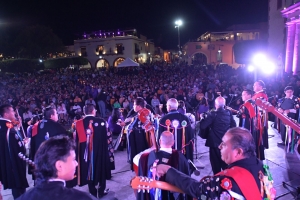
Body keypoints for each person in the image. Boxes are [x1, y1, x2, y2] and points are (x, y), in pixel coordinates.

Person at [155, 128, 269, 199]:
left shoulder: (227, 181)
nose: (219, 147)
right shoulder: (262, 167)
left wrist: (168, 170)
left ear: (238, 152)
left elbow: (198, 189)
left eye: (223, 144)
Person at [16, 135, 98, 200]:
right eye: (73, 159)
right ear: (59, 166)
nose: (76, 163)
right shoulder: (82, 198)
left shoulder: (23, 197)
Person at [136, 131, 192, 200]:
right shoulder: (181, 158)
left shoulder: (146, 157)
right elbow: (187, 180)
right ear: (173, 142)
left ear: (160, 141)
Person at [74, 104, 114, 198]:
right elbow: (108, 136)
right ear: (93, 111)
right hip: (101, 152)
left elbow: (76, 140)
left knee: (89, 169)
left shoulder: (78, 123)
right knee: (101, 167)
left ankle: (92, 191)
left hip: (85, 154)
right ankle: (101, 190)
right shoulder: (101, 121)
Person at [199, 96, 236, 174]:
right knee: (225, 163)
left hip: (214, 143)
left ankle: (217, 181)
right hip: (225, 143)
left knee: (216, 165)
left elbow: (203, 126)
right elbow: (233, 126)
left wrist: (202, 118)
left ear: (216, 104)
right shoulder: (229, 113)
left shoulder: (213, 114)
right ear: (224, 104)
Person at [0, 104, 29, 199]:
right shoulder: (7, 128)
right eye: (12, 111)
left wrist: (19, 127)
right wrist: (24, 144)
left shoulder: (4, 126)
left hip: (7, 161)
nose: (14, 113)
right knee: (18, 185)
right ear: (6, 114)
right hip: (14, 162)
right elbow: (16, 146)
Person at [121, 97, 156, 170]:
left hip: (140, 140)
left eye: (134, 105)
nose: (133, 106)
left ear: (138, 106)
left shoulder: (142, 114)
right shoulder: (141, 113)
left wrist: (128, 127)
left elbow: (147, 127)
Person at [30, 106, 68, 171]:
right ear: (51, 115)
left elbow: (32, 146)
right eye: (56, 114)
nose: (57, 115)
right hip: (52, 163)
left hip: (39, 162)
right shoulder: (57, 126)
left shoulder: (35, 126)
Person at [252, 80, 268, 160]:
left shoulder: (261, 95)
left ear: (261, 86)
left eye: (255, 85)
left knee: (259, 138)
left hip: (259, 120)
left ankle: (258, 156)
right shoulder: (257, 94)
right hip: (255, 117)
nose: (253, 86)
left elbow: (260, 108)